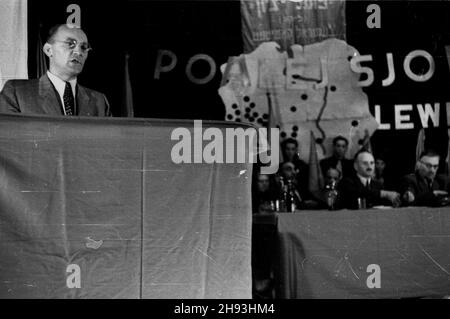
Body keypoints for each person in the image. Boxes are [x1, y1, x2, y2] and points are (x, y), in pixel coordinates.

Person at [0, 23, 111, 116]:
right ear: (49, 50)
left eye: (83, 47)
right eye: (70, 44)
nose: (78, 52)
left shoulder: (99, 101)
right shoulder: (16, 92)